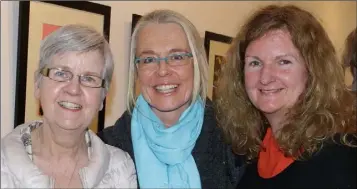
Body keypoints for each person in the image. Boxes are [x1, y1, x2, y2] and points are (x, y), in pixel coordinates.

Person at [215, 4, 356, 189]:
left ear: (313, 70)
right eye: (255, 63)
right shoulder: (253, 152)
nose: (265, 77)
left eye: (283, 62)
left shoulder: (341, 158)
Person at [98, 9, 242, 189]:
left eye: (177, 57)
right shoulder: (106, 148)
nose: (163, 70)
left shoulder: (236, 141)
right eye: (149, 59)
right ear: (137, 71)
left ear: (196, 64)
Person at [1, 25, 137, 188]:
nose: (74, 89)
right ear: (38, 85)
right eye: (61, 73)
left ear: (102, 97)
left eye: (88, 78)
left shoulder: (120, 169)